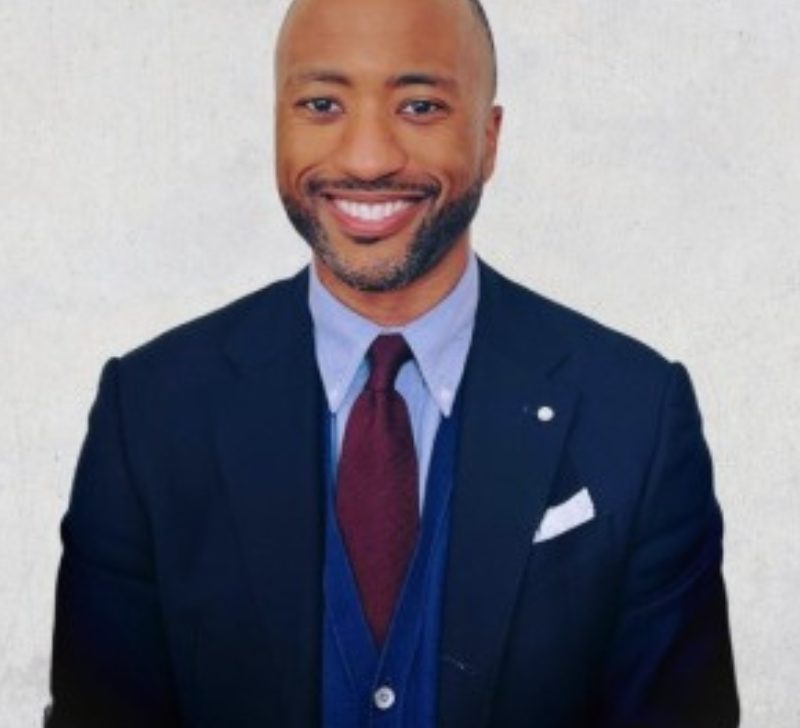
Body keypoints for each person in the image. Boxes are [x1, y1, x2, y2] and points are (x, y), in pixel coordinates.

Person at [46, 0, 739, 725]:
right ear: (276, 120)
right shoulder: (151, 410)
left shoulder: (636, 414)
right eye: (321, 104)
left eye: (419, 105)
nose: (367, 158)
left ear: (490, 138)